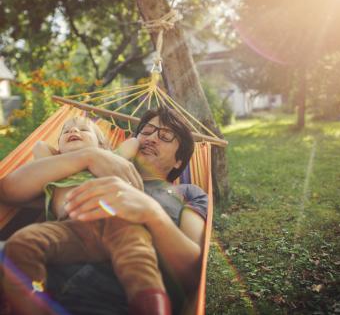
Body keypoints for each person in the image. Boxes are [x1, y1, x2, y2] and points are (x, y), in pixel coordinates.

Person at [0, 107, 208, 315]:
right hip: (44, 289)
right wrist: (88, 156)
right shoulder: (81, 172)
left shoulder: (187, 193)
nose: (152, 138)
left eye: (165, 136)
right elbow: (8, 191)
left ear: (179, 160)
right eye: (146, 131)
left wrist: (152, 213)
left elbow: (193, 274)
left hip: (116, 303)